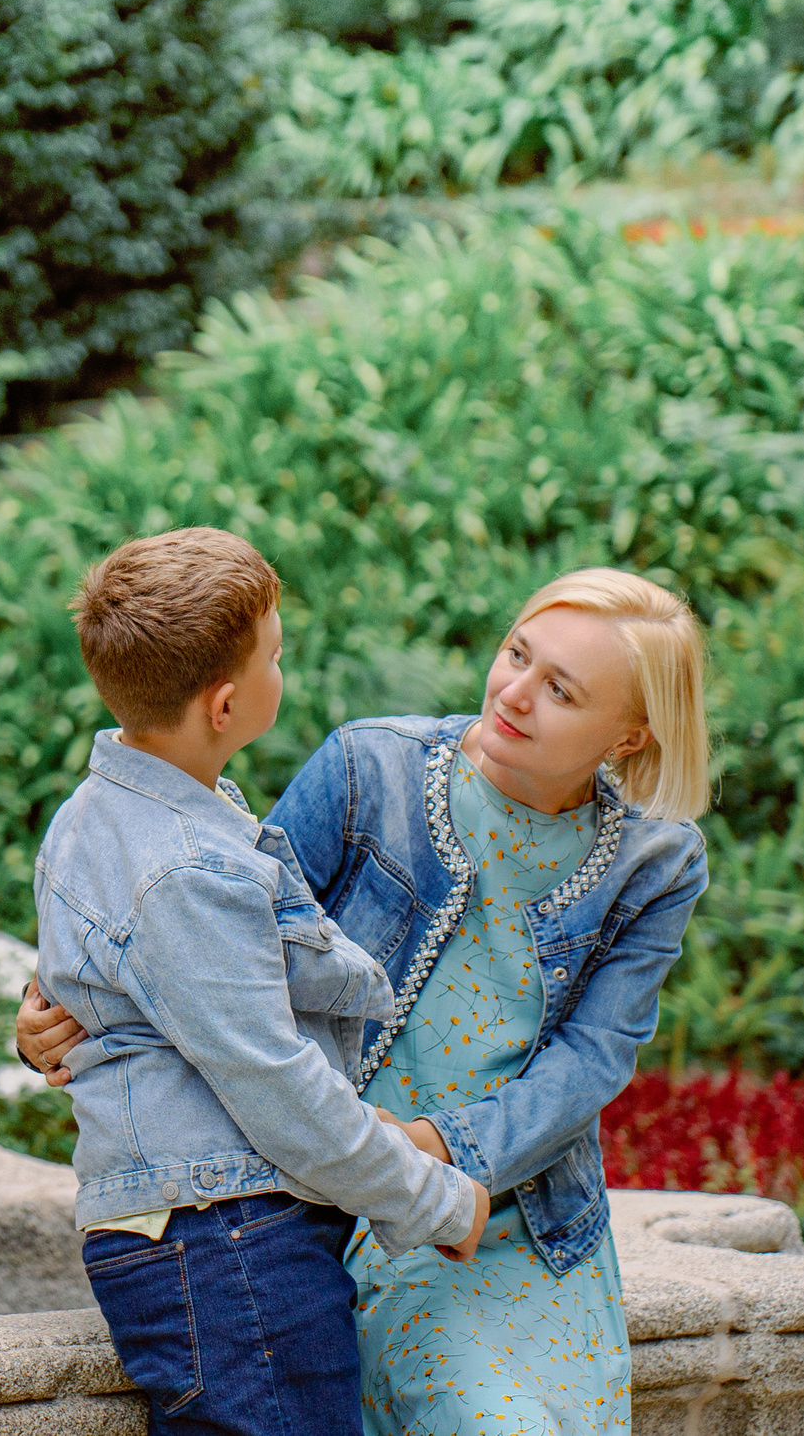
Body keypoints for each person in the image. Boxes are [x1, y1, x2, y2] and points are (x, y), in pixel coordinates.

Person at [21, 566, 712, 1436]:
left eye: (561, 690)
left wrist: (440, 1149)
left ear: (628, 736)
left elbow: (595, 1057)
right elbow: (209, 942)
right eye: (517, 653)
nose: (516, 692)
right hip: (325, 1188)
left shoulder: (657, 862)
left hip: (518, 1208)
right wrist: (45, 1010)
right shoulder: (371, 766)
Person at [37, 527, 491, 1436]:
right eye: (277, 655)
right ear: (228, 702)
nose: (286, 670)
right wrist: (432, 1198)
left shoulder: (104, 816)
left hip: (209, 1237)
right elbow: (273, 1082)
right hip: (231, 1242)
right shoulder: (186, 867)